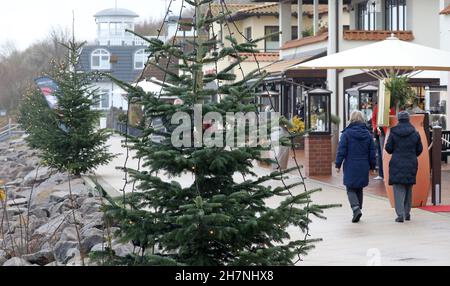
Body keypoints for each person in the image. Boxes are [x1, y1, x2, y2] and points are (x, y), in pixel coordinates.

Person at [336, 110, 377, 223]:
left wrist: (338, 164)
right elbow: (372, 152)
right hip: (363, 165)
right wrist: (373, 166)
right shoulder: (368, 134)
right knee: (359, 187)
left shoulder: (346, 134)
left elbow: (341, 150)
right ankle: (358, 209)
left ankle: (355, 208)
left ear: (351, 119)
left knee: (350, 188)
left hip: (351, 164)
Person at [385, 111, 423, 223]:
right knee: (408, 188)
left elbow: (388, 148)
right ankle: (407, 213)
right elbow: (419, 149)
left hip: (396, 163)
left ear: (398, 119)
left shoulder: (393, 132)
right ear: (408, 119)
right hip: (411, 162)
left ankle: (400, 214)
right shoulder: (415, 133)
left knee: (398, 189)